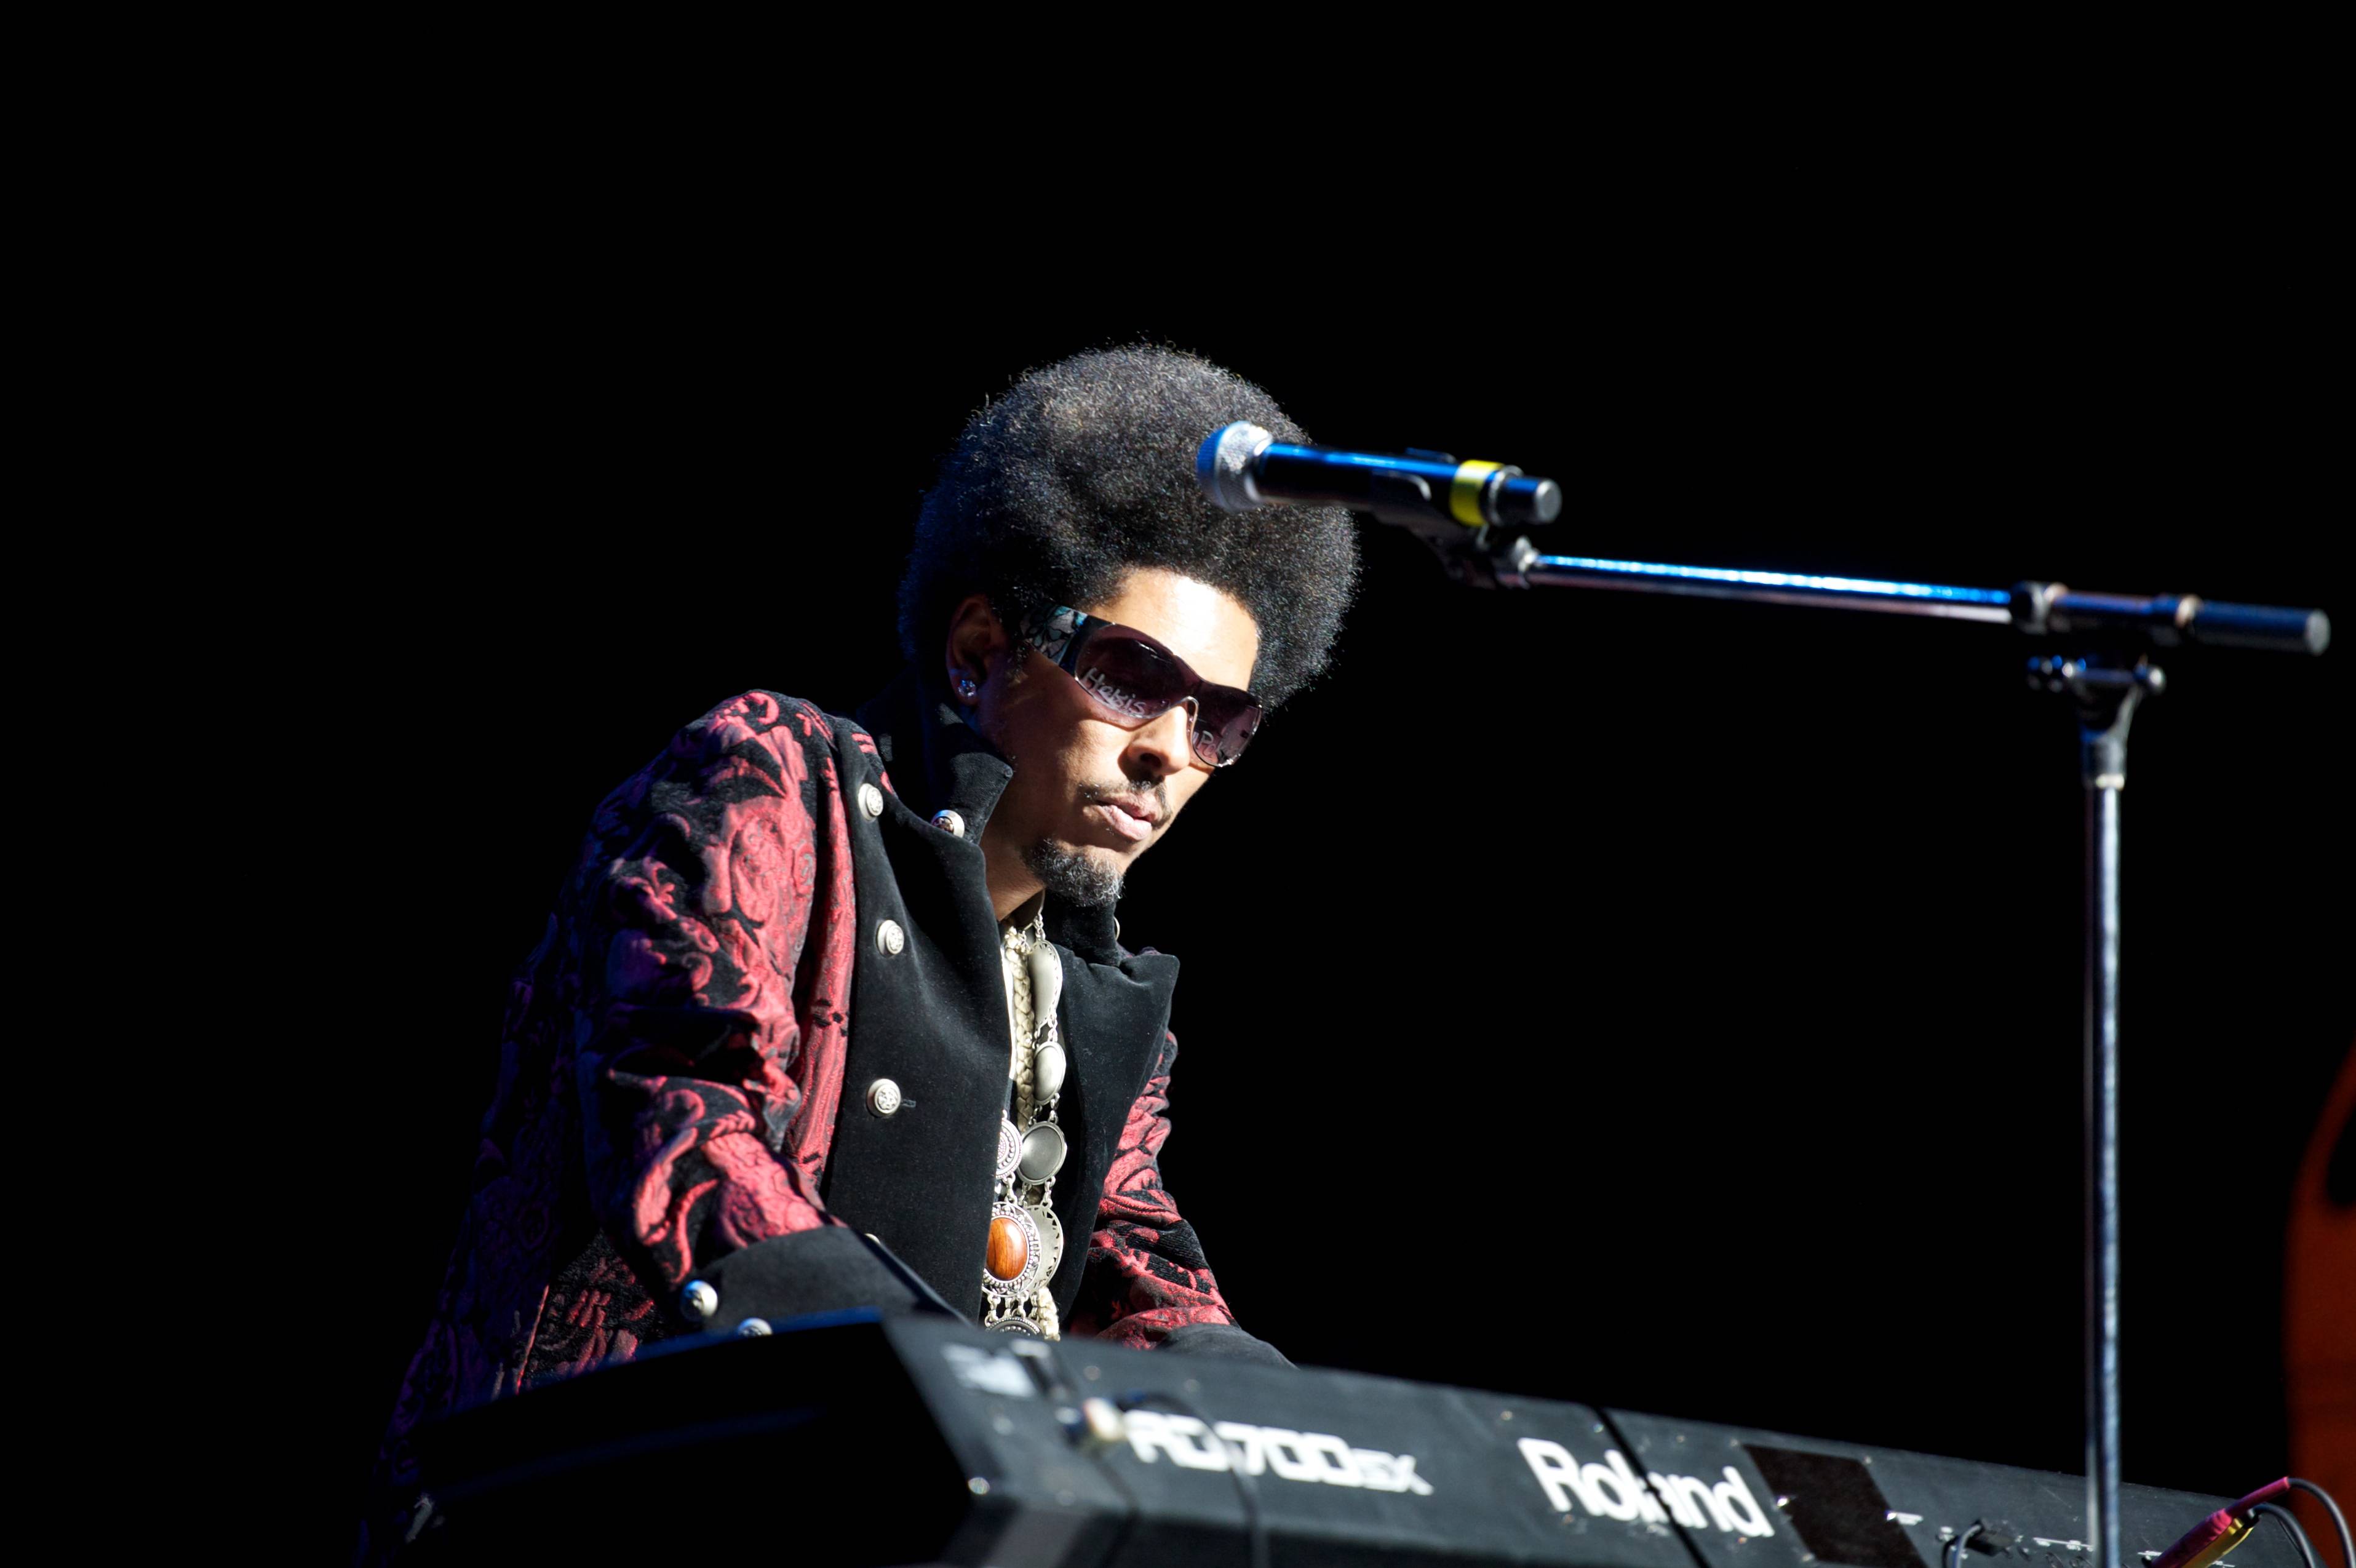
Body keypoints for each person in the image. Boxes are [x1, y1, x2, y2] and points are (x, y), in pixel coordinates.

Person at [360, 345, 1359, 1554]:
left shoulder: (1095, 983)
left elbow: (1138, 1273)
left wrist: (1332, 1450)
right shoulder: (775, 781)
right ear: (981, 649)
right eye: (1134, 678)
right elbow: (687, 1122)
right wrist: (950, 1392)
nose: (1173, 752)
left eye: (1222, 718)